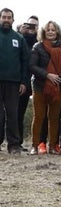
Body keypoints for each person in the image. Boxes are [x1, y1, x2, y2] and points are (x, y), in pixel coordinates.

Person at [29, 20, 61, 155]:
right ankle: (35, 146)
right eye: (48, 30)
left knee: (54, 117)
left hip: (58, 87)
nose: (50, 32)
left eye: (53, 30)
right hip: (40, 86)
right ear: (43, 32)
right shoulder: (38, 47)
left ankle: (54, 146)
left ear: (57, 32)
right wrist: (47, 75)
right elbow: (32, 66)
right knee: (39, 117)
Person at [0, 8, 30, 154]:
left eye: (9, 17)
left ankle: (14, 145)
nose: (6, 20)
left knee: (13, 113)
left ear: (13, 20)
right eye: (4, 17)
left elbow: (25, 61)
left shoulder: (19, 38)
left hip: (13, 82)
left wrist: (24, 81)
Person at [13, 15, 39, 151]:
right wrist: (19, 34)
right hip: (18, 81)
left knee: (23, 112)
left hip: (35, 82)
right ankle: (15, 142)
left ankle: (20, 142)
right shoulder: (18, 38)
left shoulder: (39, 42)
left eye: (34, 26)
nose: (31, 28)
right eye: (29, 25)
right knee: (14, 112)